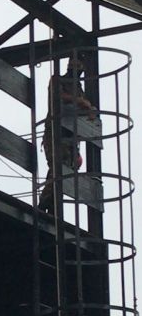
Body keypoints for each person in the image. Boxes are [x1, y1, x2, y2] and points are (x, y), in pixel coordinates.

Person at [38, 55, 97, 213]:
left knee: (68, 168)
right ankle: (45, 203)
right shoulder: (58, 80)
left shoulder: (78, 87)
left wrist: (89, 110)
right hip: (56, 133)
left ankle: (51, 205)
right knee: (59, 167)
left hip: (71, 137)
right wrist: (81, 102)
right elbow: (58, 97)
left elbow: (85, 109)